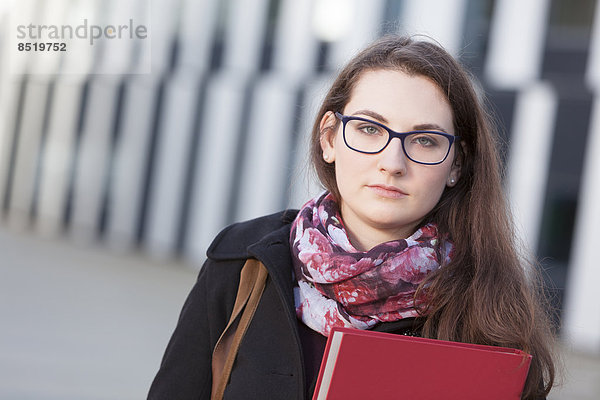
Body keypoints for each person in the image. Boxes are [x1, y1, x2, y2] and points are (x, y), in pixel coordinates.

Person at [148, 35, 556, 400]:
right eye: (369, 130)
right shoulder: (240, 264)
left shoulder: (492, 308)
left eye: (425, 140)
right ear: (330, 138)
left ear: (456, 165)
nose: (392, 162)